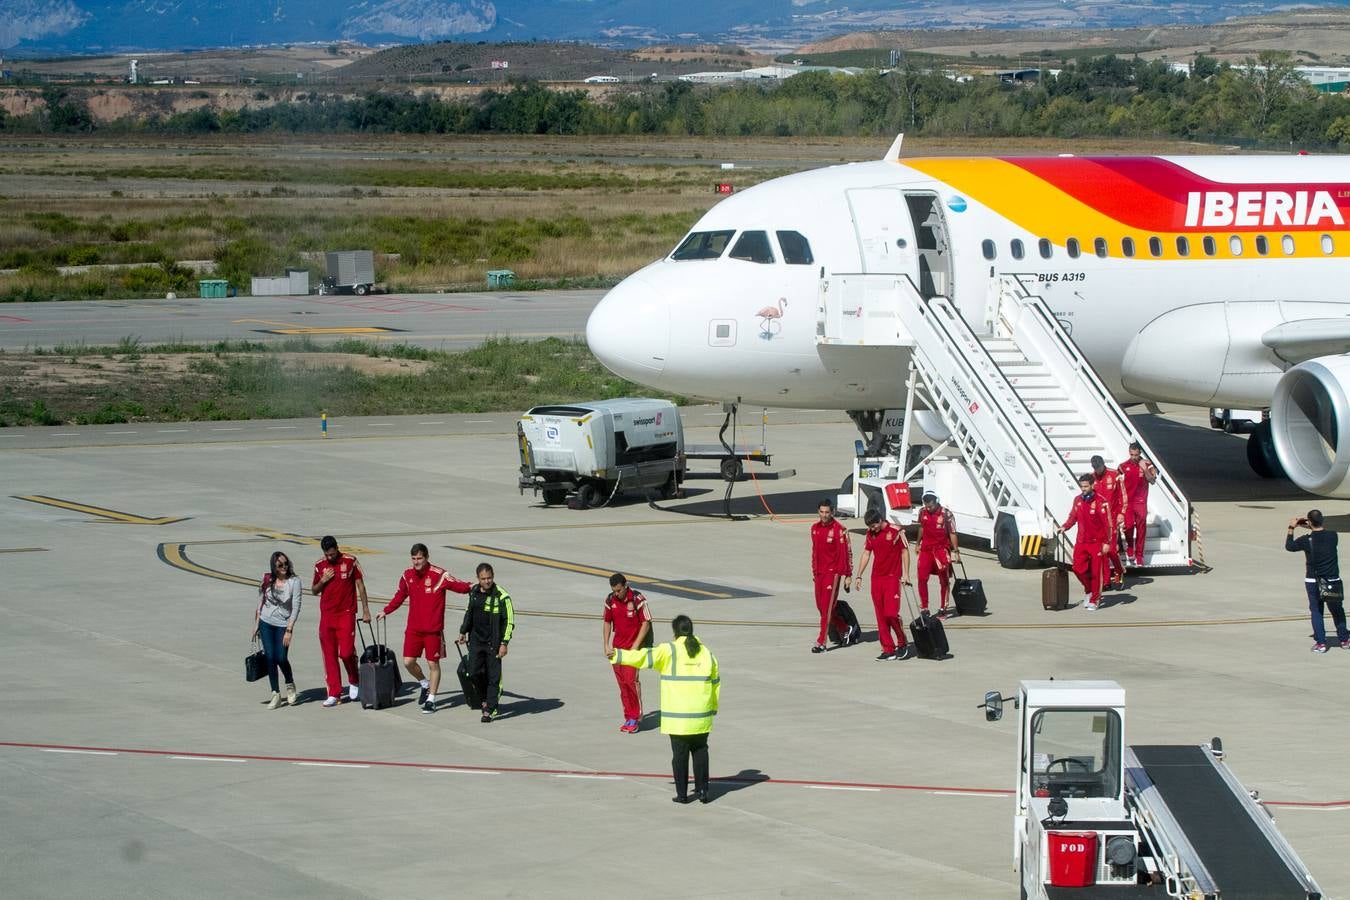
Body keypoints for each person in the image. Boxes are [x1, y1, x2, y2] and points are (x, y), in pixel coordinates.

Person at [609, 615, 719, 804]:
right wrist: (713, 709)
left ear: (675, 632)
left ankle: (683, 795)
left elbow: (644, 657)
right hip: (701, 716)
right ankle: (703, 791)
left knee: (680, 756)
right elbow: (715, 683)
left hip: (678, 719)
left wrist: (619, 655)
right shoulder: (706, 652)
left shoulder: (669, 651)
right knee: (701, 752)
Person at [377, 544, 465, 715]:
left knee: (433, 663)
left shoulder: (440, 575)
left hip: (433, 630)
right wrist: (386, 610)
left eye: (419, 558)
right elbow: (400, 595)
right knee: (408, 662)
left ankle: (431, 700)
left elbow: (460, 586)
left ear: (426, 557)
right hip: (414, 629)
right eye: (414, 559)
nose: (416, 562)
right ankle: (424, 683)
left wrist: (476, 586)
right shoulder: (407, 575)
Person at [311, 535, 371, 708]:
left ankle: (354, 679)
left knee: (345, 652)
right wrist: (323, 580)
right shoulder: (319, 565)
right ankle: (334, 693)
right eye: (327, 555)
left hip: (346, 613)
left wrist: (365, 610)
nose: (330, 557)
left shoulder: (350, 561)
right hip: (327, 615)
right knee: (329, 654)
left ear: (337, 548)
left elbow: (360, 585)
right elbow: (314, 590)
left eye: (332, 553)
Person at [455, 563, 515, 723]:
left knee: (493, 678)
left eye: (489, 578)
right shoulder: (474, 592)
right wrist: (463, 631)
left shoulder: (502, 597)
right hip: (476, 640)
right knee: (472, 673)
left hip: (493, 643)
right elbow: (470, 612)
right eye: (483, 579)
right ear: (478, 579)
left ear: (493, 577)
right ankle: (484, 698)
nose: (487, 581)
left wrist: (504, 643)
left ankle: (490, 708)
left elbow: (509, 622)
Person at [854, 509, 914, 661]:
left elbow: (905, 552)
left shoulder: (896, 531)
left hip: (892, 577)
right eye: (870, 527)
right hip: (877, 579)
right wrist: (859, 575)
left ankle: (902, 642)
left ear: (880, 520)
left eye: (874, 526)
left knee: (891, 613)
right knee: (880, 616)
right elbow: (866, 553)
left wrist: (906, 574)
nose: (872, 529)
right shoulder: (870, 534)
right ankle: (888, 648)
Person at [1286, 510, 1348, 653]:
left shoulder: (1306, 540)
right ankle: (1344, 640)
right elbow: (1320, 533)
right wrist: (1312, 525)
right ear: (1322, 520)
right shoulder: (1333, 536)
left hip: (1313, 580)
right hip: (1332, 579)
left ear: (1309, 522)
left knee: (1316, 611)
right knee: (1337, 611)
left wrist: (1291, 528)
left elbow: (1289, 546)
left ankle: (1321, 643)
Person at [602, 573, 652, 734]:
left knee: (632, 682)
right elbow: (607, 622)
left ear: (625, 585)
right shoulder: (611, 600)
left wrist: (636, 645)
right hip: (617, 650)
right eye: (614, 591)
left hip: (633, 650)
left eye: (618, 590)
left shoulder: (637, 599)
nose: (616, 594)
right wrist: (606, 645)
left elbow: (646, 623)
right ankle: (628, 716)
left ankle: (636, 717)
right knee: (622, 685)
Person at [253, 550, 302, 709]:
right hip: (266, 622)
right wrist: (256, 625)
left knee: (281, 657)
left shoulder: (294, 581)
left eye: (286, 564)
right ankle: (275, 693)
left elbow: (296, 607)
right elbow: (260, 602)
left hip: (283, 624)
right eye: (280, 565)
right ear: (274, 566)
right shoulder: (267, 579)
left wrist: (289, 630)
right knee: (270, 658)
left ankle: (290, 683)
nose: (284, 567)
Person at [1057, 474, 1113, 610]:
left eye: (1086, 486)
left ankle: (1095, 599)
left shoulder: (1101, 501)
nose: (1083, 489)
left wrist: (1107, 542)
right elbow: (1073, 517)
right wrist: (1065, 526)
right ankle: (1088, 590)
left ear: (1093, 485)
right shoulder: (1077, 500)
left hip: (1097, 543)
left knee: (1095, 572)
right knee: (1077, 568)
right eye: (1082, 486)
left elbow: (1108, 524)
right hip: (1081, 541)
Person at [809, 498, 855, 653]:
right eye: (821, 512)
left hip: (833, 574)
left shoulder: (839, 530)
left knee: (827, 608)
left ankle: (821, 642)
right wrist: (814, 571)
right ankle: (844, 627)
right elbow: (814, 552)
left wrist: (848, 575)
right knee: (821, 608)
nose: (824, 515)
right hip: (819, 573)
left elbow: (847, 554)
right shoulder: (814, 528)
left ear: (833, 512)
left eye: (827, 512)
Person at [916, 491, 959, 614]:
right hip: (926, 550)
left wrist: (956, 551)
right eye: (926, 506)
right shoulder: (922, 512)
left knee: (943, 578)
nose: (928, 509)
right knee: (922, 577)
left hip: (941, 549)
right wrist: (918, 543)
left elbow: (952, 533)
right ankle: (924, 607)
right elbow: (921, 527)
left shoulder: (946, 514)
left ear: (936, 502)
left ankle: (943, 607)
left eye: (931, 506)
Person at [1117, 441, 1157, 567]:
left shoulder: (1148, 464)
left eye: (1136, 454)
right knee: (1128, 526)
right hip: (1127, 502)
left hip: (1140, 501)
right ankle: (1130, 546)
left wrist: (1144, 468)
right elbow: (1117, 482)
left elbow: (1152, 480)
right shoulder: (1123, 466)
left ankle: (1139, 555)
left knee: (1141, 527)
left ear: (1140, 453)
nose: (1133, 457)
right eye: (1131, 454)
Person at [1090, 454, 1126, 589]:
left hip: (1113, 518)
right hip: (1098, 521)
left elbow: (1123, 496)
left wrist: (1122, 513)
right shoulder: (1091, 478)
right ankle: (1105, 581)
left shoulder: (1115, 475)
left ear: (1103, 464)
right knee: (1101, 551)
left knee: (1110, 550)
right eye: (1095, 468)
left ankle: (1119, 570)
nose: (1097, 470)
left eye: (1099, 467)